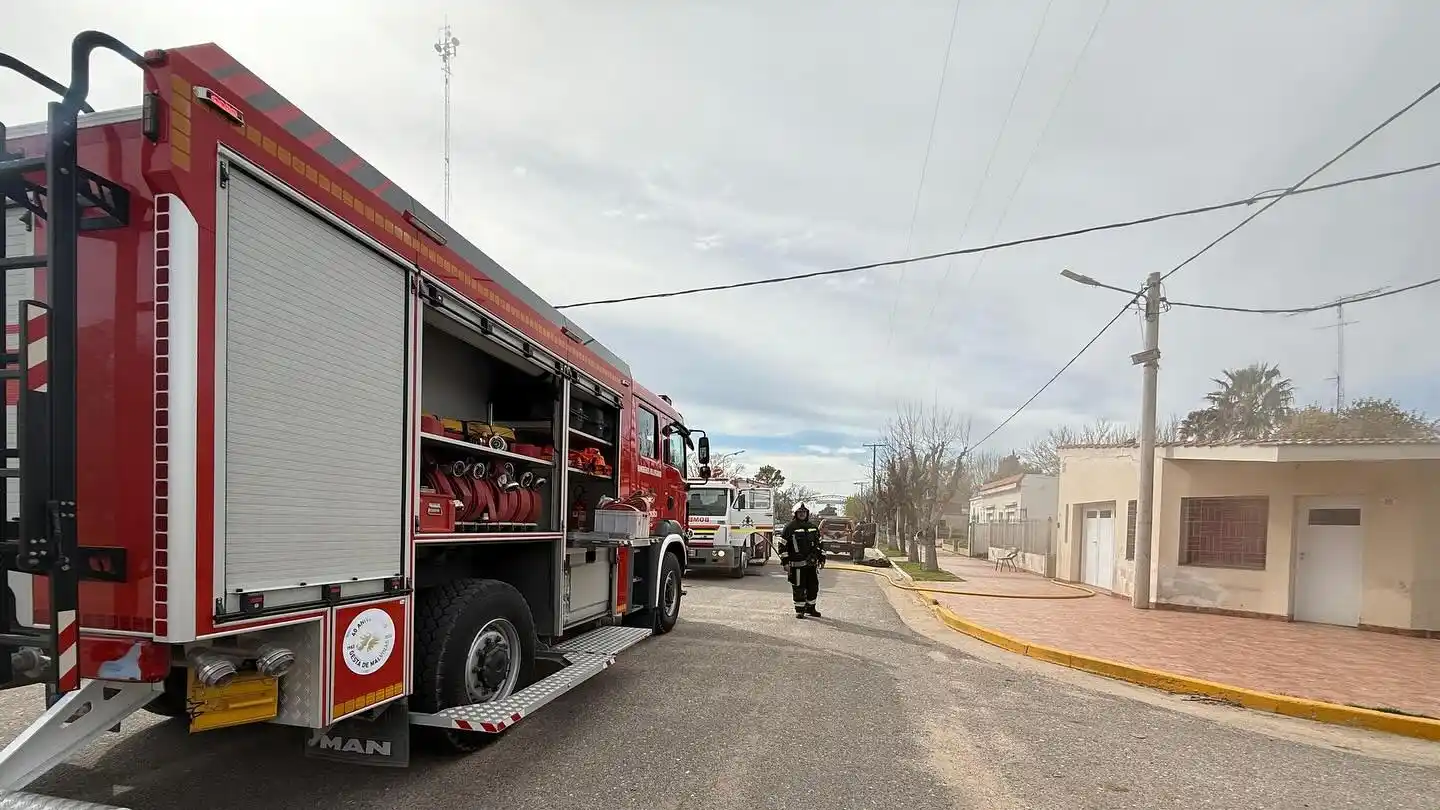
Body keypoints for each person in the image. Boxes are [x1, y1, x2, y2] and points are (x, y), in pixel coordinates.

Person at [779, 503, 825, 618]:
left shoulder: (813, 527)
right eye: (800, 512)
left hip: (811, 565)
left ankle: (811, 608)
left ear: (807, 513)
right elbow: (782, 545)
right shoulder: (789, 528)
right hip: (797, 565)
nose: (802, 514)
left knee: (813, 587)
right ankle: (800, 610)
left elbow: (820, 545)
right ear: (795, 514)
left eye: (804, 512)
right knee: (799, 587)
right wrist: (785, 562)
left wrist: (822, 558)